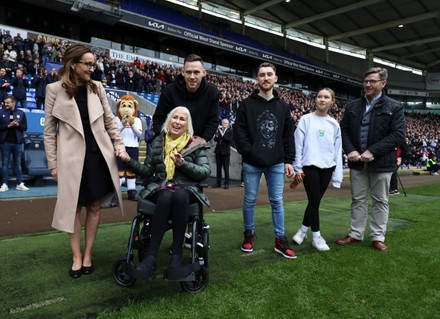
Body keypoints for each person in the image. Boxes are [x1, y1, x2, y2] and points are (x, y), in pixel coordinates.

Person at [44, 44, 127, 279]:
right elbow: (49, 132)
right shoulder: (53, 90)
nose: (93, 68)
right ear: (73, 64)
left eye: (94, 64)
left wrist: (118, 144)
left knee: (94, 206)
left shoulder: (97, 88)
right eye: (88, 64)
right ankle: (76, 256)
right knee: (73, 208)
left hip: (98, 155)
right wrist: (53, 164)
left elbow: (110, 121)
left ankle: (88, 254)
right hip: (70, 159)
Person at [117, 106, 211, 280]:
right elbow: (146, 171)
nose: (177, 122)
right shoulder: (157, 142)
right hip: (161, 187)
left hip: (187, 188)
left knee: (180, 194)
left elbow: (205, 171)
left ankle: (176, 256)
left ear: (187, 125)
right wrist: (128, 161)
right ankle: (151, 257)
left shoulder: (195, 144)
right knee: (167, 194)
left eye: (182, 119)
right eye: (174, 118)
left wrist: (184, 165)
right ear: (169, 121)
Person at [336, 67, 406, 252]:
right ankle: (355, 233)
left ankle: (377, 236)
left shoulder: (395, 106)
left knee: (380, 200)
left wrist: (373, 151)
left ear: (383, 83)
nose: (367, 84)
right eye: (366, 81)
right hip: (357, 161)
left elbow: (398, 134)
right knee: (357, 199)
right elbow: (343, 130)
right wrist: (349, 149)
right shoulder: (352, 106)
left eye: (372, 81)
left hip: (382, 162)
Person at [233, 62, 296, 259]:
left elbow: (288, 135)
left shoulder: (284, 107)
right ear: (257, 79)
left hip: (276, 162)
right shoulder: (246, 104)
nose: (266, 78)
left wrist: (289, 160)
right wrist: (248, 152)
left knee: (277, 201)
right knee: (249, 200)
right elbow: (239, 132)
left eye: (269, 74)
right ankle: (249, 234)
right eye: (262, 75)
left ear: (276, 78)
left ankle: (280, 239)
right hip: (252, 162)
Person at [291, 88, 343, 251]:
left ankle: (302, 230)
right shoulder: (305, 120)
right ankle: (316, 237)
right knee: (314, 201)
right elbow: (298, 144)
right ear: (315, 100)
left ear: (332, 101)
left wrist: (338, 176)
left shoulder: (334, 124)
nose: (322, 99)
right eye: (319, 96)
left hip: (327, 168)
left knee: (315, 202)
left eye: (326, 97)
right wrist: (297, 167)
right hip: (309, 166)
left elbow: (337, 150)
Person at [152, 54, 219, 149]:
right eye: (188, 72)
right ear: (183, 72)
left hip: (197, 147)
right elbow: (158, 119)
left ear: (204, 73)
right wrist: (165, 140)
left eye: (196, 72)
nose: (192, 77)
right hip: (169, 145)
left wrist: (203, 139)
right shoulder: (169, 91)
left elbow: (213, 121)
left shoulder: (212, 92)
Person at [0, 96, 29, 192]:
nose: (5, 104)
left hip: (17, 143)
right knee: (5, 164)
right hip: (5, 142)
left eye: (8, 102)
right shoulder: (1, 112)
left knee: (17, 164)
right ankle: (4, 184)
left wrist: (18, 125)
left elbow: (25, 128)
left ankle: (19, 183)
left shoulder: (21, 113)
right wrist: (8, 126)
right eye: (5, 102)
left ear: (13, 103)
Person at [213, 118, 233, 189]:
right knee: (218, 168)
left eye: (226, 123)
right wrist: (216, 134)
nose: (224, 124)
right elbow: (216, 140)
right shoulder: (219, 130)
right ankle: (218, 183)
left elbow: (229, 140)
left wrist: (222, 134)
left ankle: (226, 183)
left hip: (225, 152)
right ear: (221, 123)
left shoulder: (230, 131)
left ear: (228, 124)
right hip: (218, 151)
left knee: (226, 168)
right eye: (223, 123)